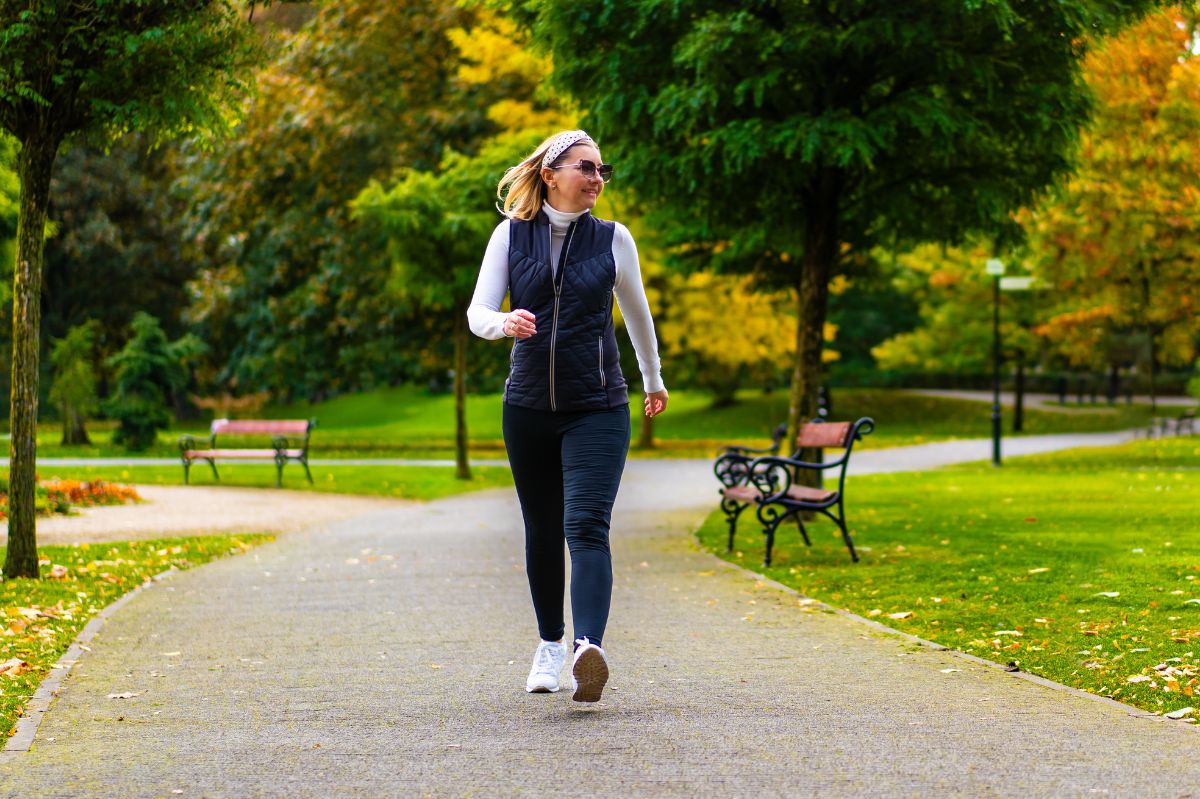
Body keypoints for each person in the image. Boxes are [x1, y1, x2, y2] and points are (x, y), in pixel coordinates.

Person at [467, 129, 668, 703]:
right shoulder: (511, 235)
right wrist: (504, 323)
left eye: (604, 171)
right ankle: (550, 645)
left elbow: (638, 315)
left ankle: (587, 649)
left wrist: (652, 379)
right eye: (587, 168)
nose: (598, 179)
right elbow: (478, 311)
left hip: (598, 405)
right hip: (527, 406)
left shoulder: (613, 239)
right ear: (551, 173)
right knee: (542, 530)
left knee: (585, 526)